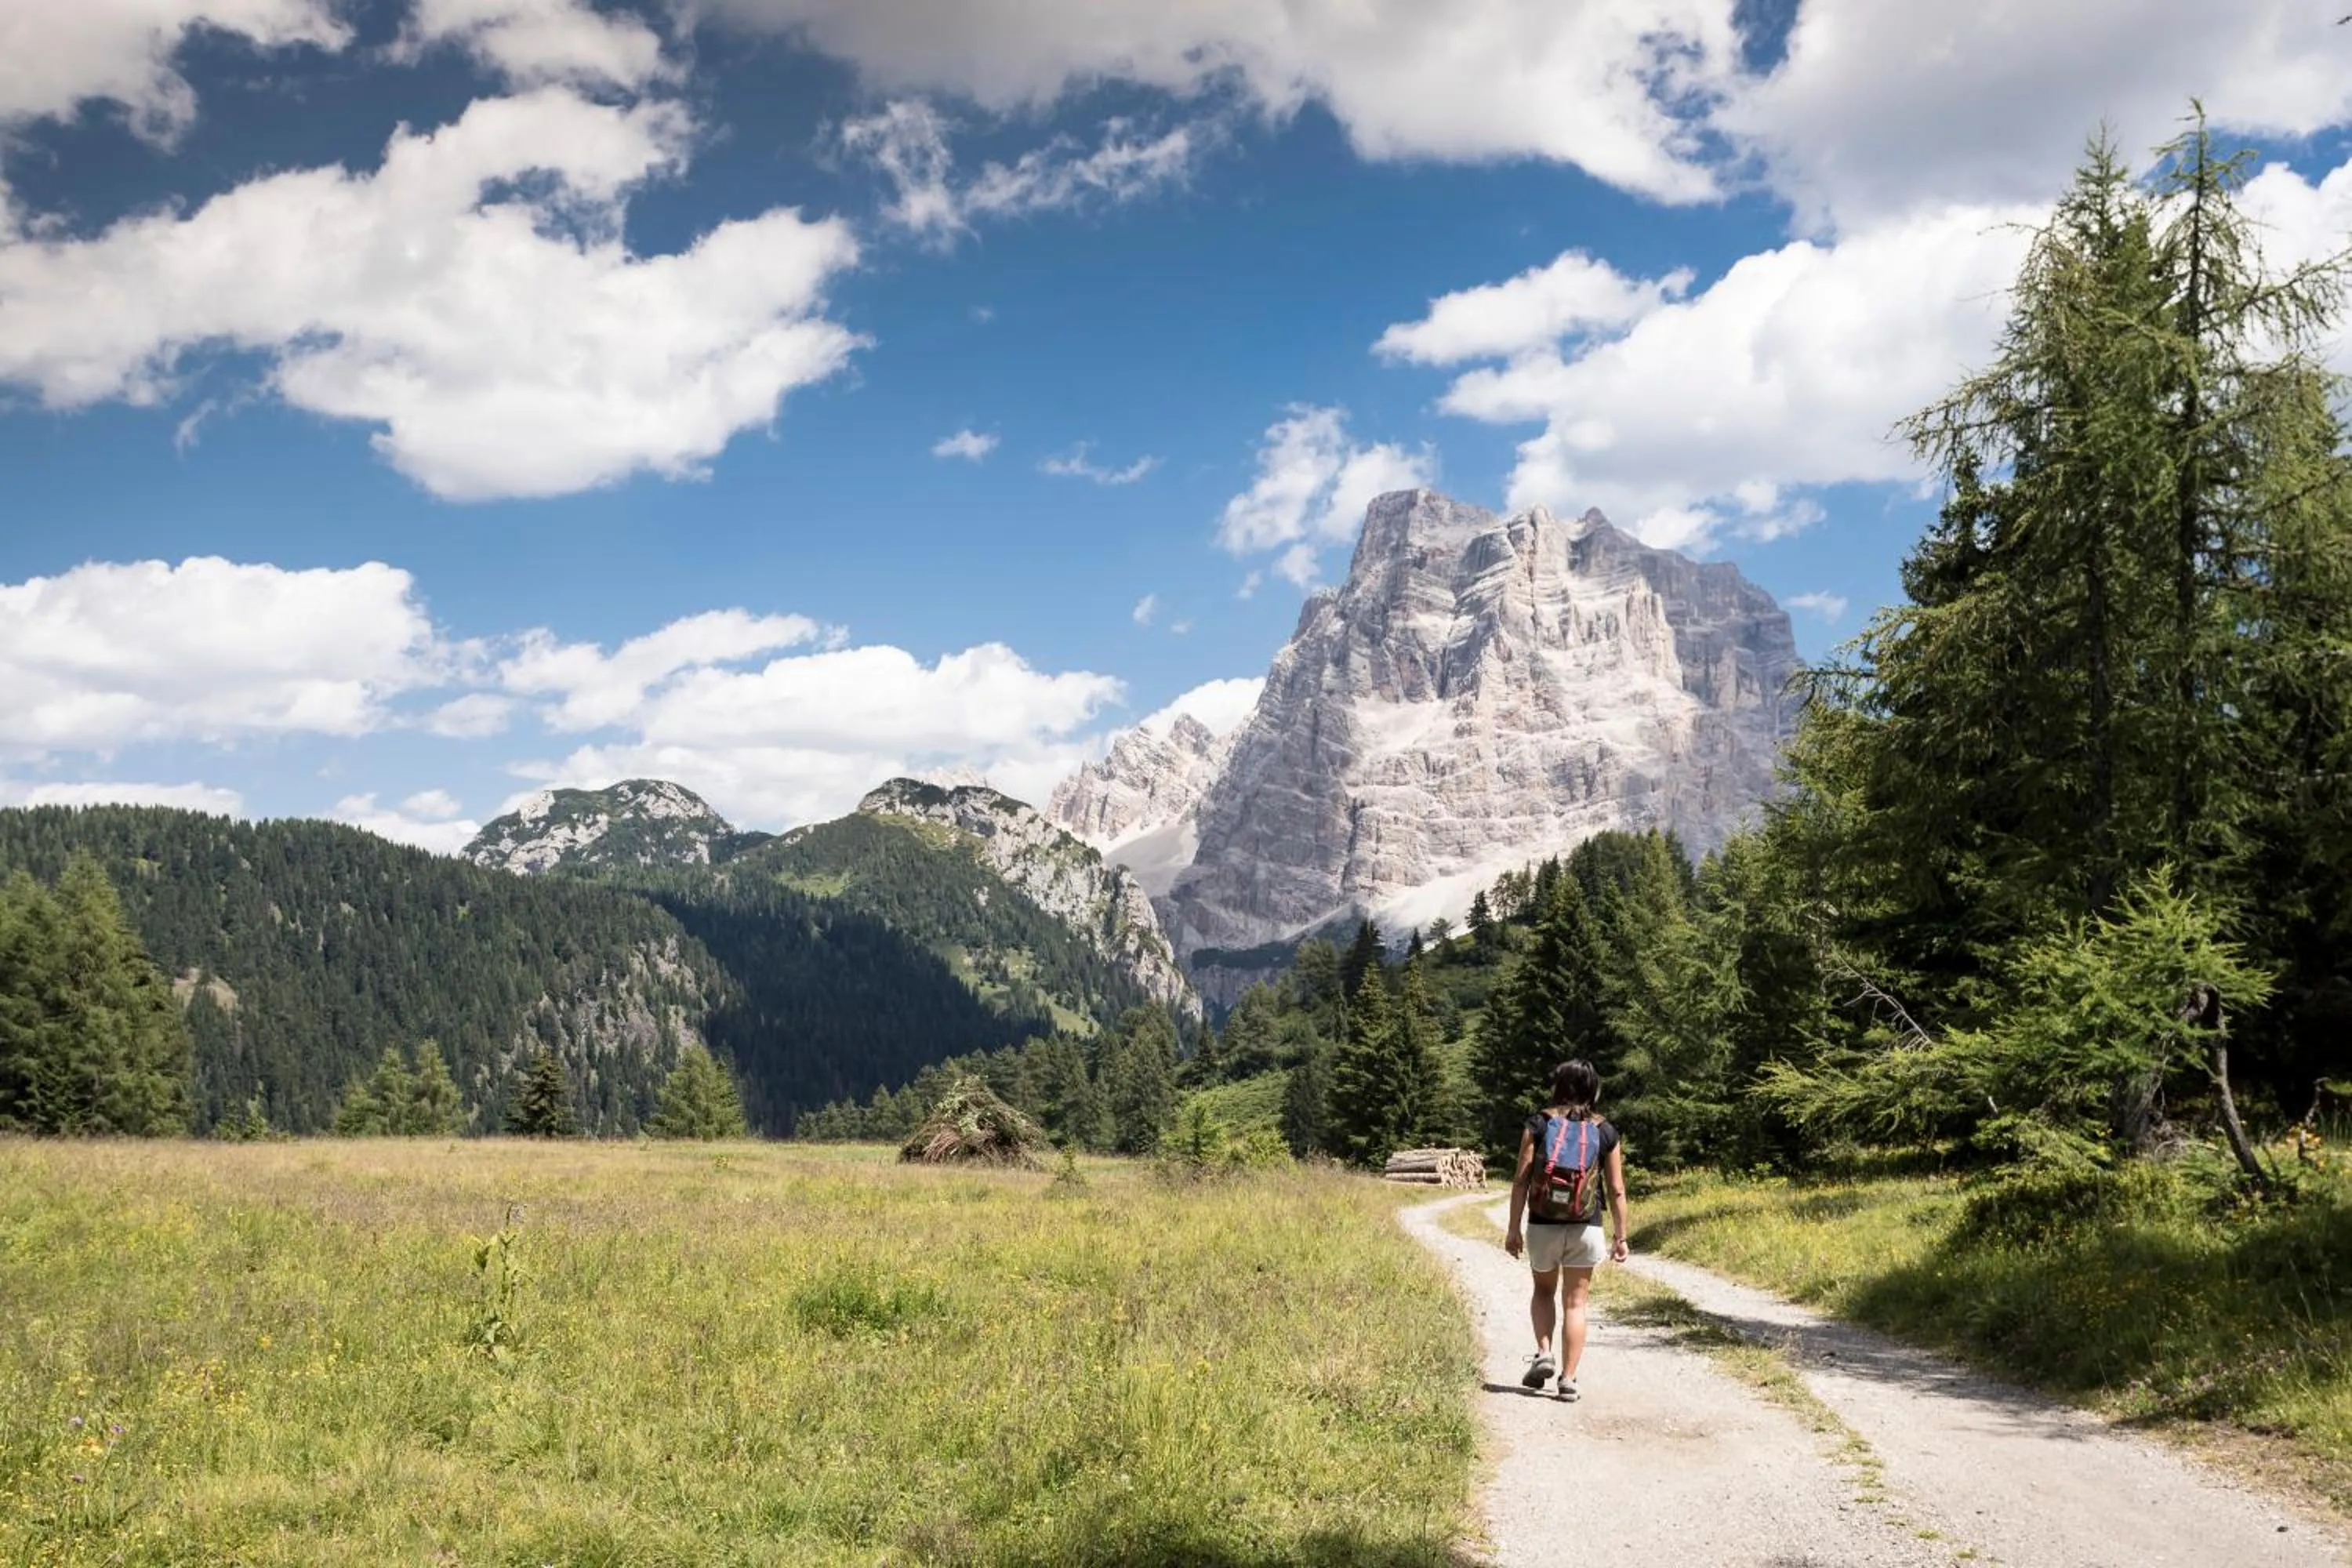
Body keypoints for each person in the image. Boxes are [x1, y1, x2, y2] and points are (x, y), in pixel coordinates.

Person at [1504, 1058, 1628, 1401]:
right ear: (1592, 1088)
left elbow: (1521, 1179)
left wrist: (1513, 1228)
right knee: (1576, 1304)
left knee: (1543, 1291)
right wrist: (1621, 1237)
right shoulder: (1605, 1130)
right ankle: (1569, 1380)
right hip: (1585, 1226)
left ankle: (1544, 1352)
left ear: (1558, 1086)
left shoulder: (1539, 1123)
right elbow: (1616, 1189)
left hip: (1543, 1223)